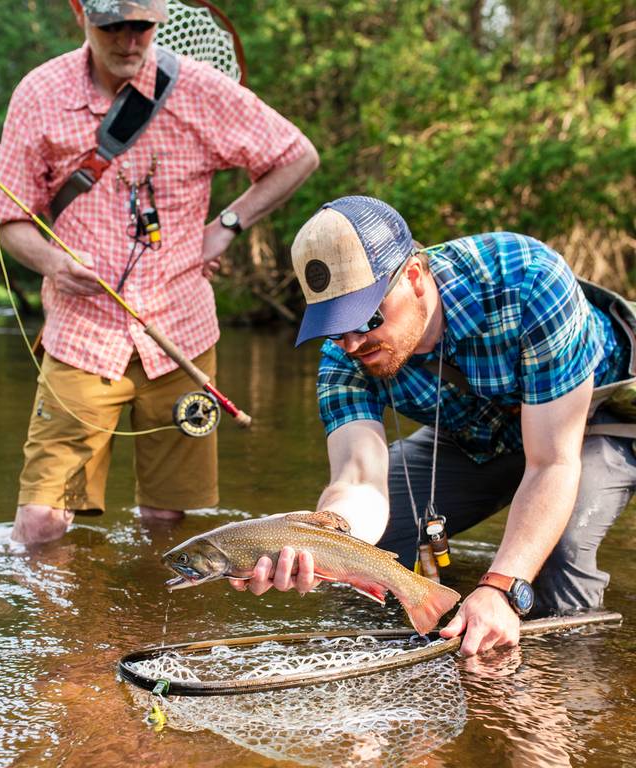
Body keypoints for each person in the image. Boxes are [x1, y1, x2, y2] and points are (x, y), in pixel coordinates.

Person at [230, 195, 635, 656]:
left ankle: (558, 693)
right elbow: (359, 480)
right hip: (474, 437)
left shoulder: (529, 280)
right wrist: (322, 538)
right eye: (334, 327)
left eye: (366, 317)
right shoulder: (342, 359)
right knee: (373, 547)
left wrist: (501, 587)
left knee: (560, 554)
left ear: (416, 278)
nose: (352, 342)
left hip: (588, 427)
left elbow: (552, 463)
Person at [0, 0, 319, 545]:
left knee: (168, 521)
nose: (128, 40)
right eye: (112, 25)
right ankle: (50, 629)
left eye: (141, 25)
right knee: (40, 521)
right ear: (80, 14)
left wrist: (229, 224)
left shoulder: (201, 89)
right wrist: (53, 264)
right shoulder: (39, 94)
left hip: (181, 332)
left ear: (159, 20)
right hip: (80, 335)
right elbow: (6, 220)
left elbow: (297, 155)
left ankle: (154, 626)